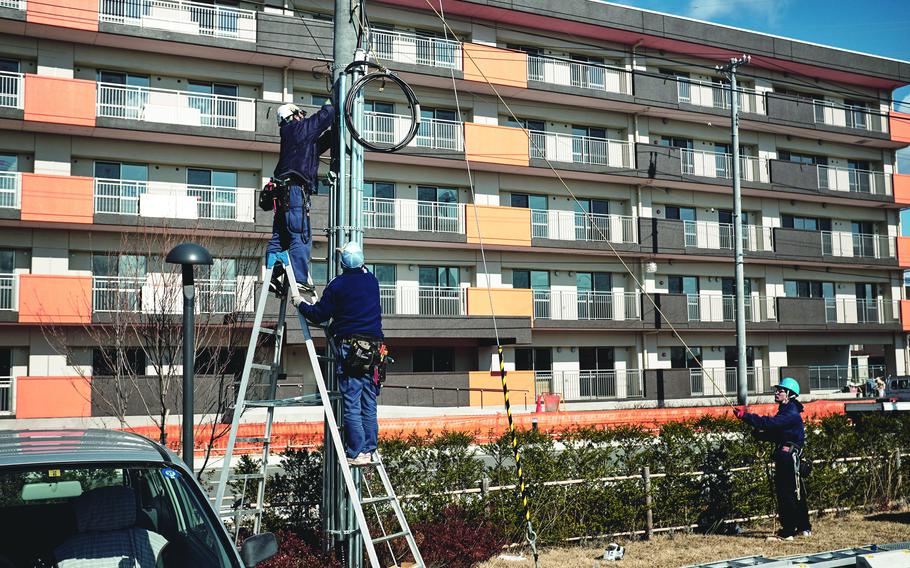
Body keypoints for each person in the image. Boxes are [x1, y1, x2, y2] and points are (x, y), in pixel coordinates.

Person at [294, 242, 384, 465]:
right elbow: (361, 269)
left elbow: (320, 314)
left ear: (343, 263)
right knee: (368, 400)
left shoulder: (338, 285)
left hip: (351, 347)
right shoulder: (372, 281)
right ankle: (369, 449)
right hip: (374, 347)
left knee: (351, 401)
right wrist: (348, 253)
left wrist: (300, 304)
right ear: (362, 261)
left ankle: (355, 452)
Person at [264, 100, 335, 296]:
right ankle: (299, 279)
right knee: (301, 235)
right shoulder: (296, 129)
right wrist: (331, 104)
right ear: (292, 116)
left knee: (280, 237)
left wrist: (333, 133)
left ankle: (272, 273)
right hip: (295, 192)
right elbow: (322, 118)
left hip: (283, 193)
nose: (302, 117)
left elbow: (316, 145)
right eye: (300, 114)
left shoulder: (293, 138)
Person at [733, 377, 812, 541]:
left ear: (789, 394)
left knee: (786, 494)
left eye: (781, 390)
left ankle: (789, 530)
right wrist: (761, 436)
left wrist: (746, 417)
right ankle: (803, 527)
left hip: (789, 457)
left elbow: (769, 423)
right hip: (789, 456)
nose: (777, 392)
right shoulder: (787, 410)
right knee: (796, 493)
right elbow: (778, 433)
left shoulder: (790, 412)